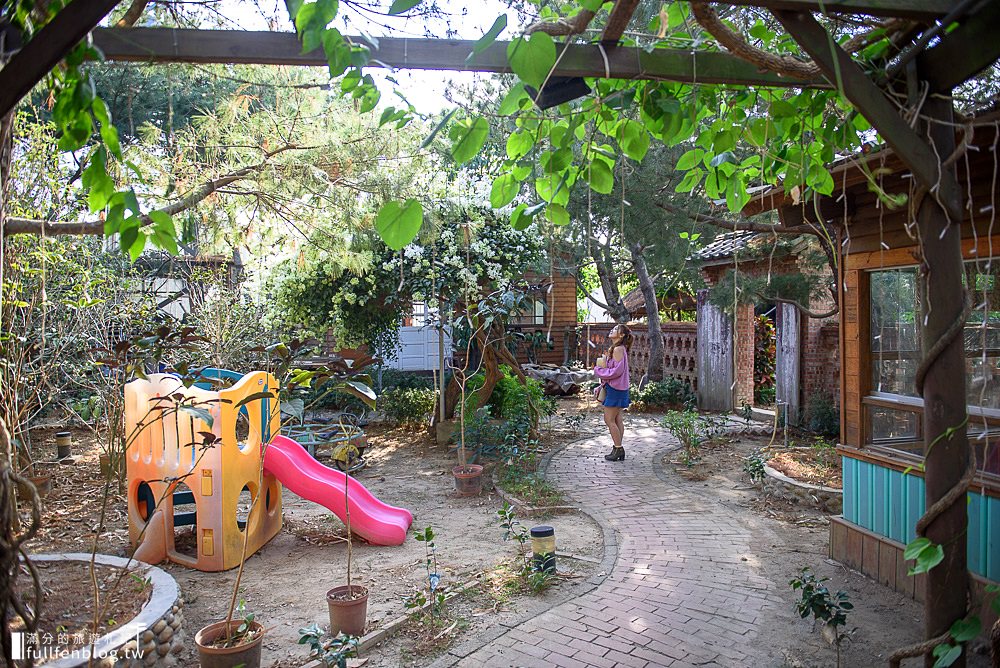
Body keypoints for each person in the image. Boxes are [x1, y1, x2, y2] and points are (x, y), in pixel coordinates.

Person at [593, 324, 632, 461]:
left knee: (609, 419)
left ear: (621, 335)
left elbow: (616, 372)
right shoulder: (620, 348)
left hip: (616, 389)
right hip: (620, 388)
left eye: (615, 329)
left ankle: (618, 448)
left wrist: (599, 370)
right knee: (617, 419)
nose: (612, 330)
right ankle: (618, 448)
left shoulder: (618, 349)